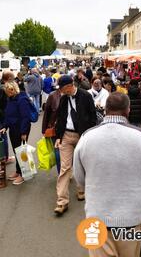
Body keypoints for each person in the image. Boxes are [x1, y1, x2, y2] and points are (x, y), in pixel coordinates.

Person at [73, 92, 141, 257]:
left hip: (97, 217)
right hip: (131, 217)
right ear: (128, 110)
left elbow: (79, 177)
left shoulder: (87, 137)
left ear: (105, 110)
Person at [54, 75, 96, 215]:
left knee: (82, 164)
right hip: (66, 135)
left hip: (82, 136)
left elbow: (93, 117)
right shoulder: (63, 98)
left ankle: (81, 189)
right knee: (65, 168)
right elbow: (60, 118)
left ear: (70, 85)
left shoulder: (86, 96)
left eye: (63, 88)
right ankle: (62, 201)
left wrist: (89, 136)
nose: (62, 91)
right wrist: (58, 137)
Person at [0, 81, 31, 185]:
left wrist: (24, 132)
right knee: (17, 151)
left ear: (14, 89)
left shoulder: (22, 100)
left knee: (21, 152)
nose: (8, 93)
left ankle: (23, 174)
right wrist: (4, 127)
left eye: (9, 91)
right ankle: (18, 171)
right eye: (7, 91)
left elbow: (26, 117)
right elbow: (8, 115)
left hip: (21, 129)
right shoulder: (10, 99)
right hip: (13, 128)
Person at [42, 77, 63, 174]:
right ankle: (61, 174)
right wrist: (44, 129)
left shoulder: (72, 95)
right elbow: (47, 113)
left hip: (70, 129)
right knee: (57, 152)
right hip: (55, 128)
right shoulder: (52, 95)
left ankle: (67, 169)